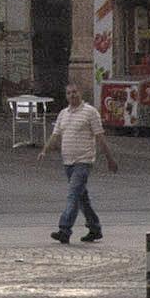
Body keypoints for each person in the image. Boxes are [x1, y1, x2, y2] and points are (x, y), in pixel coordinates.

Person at [50, 90, 108, 243]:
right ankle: (95, 228)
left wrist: (109, 158)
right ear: (66, 96)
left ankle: (64, 229)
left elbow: (99, 135)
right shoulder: (63, 113)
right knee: (82, 198)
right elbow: (55, 134)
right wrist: (45, 150)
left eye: (75, 92)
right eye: (68, 93)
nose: (72, 95)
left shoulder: (90, 112)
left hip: (84, 160)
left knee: (73, 195)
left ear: (81, 94)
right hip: (68, 161)